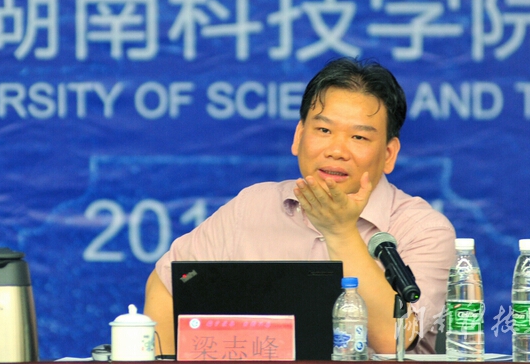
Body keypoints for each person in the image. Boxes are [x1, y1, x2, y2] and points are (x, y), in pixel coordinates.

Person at [143, 57, 456, 355]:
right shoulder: (252, 207)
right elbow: (168, 282)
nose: (336, 150)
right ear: (299, 136)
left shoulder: (423, 230)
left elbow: (396, 338)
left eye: (359, 137)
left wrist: (341, 232)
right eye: (324, 130)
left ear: (388, 154)